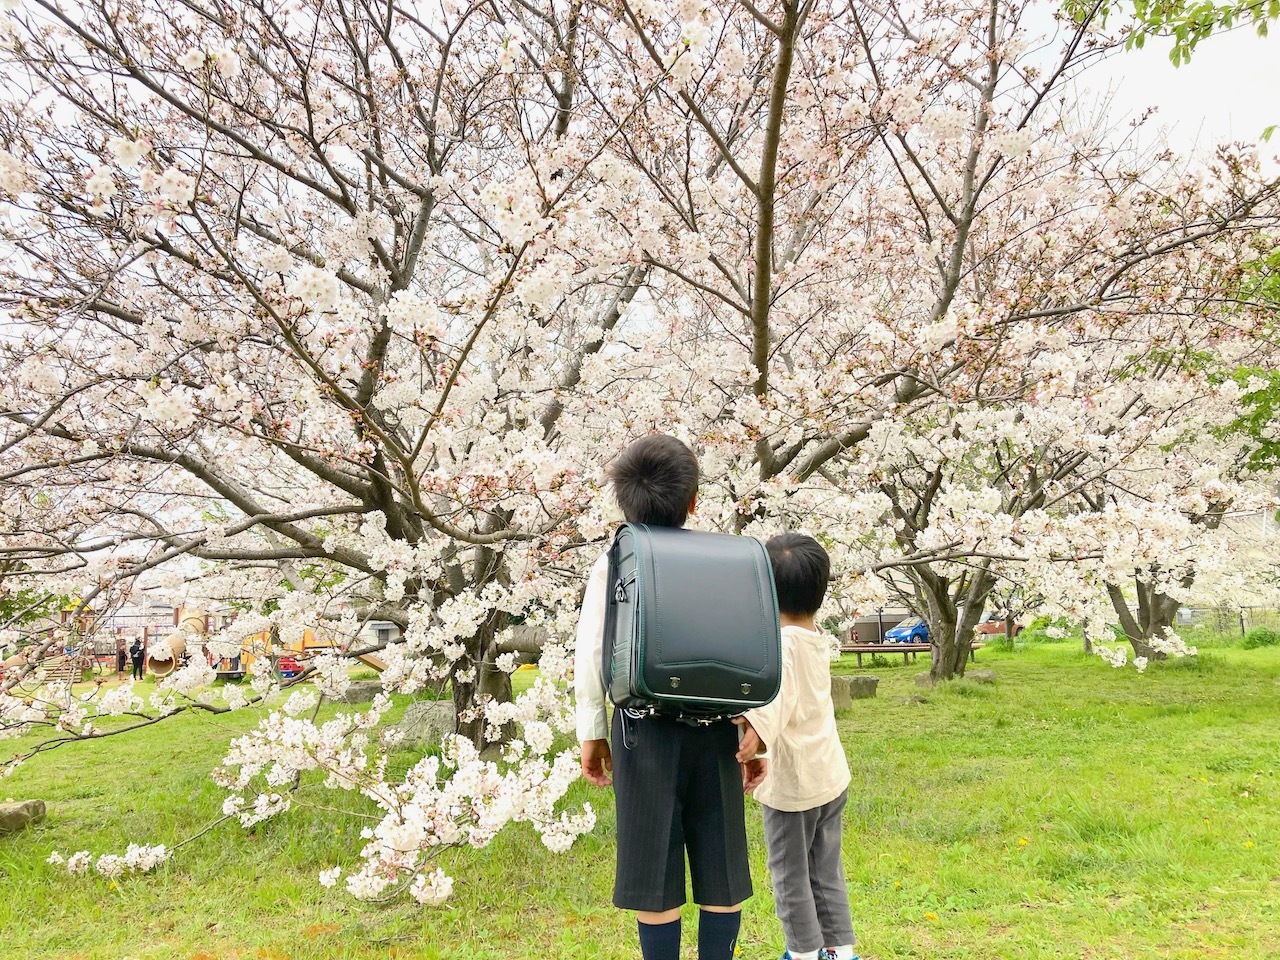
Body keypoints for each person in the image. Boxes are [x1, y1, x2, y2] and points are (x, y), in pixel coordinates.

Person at [576, 434, 767, 960]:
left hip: (644, 731)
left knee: (654, 873)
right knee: (721, 869)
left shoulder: (615, 561)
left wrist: (592, 732)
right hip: (719, 729)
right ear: (693, 500)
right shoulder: (726, 559)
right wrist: (757, 730)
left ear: (623, 500)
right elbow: (746, 650)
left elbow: (595, 649)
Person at [737, 533, 858, 960]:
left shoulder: (782, 647)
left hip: (794, 788)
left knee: (790, 876)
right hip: (829, 777)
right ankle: (840, 951)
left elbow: (778, 699)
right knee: (825, 873)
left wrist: (754, 730)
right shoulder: (814, 638)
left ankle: (804, 953)